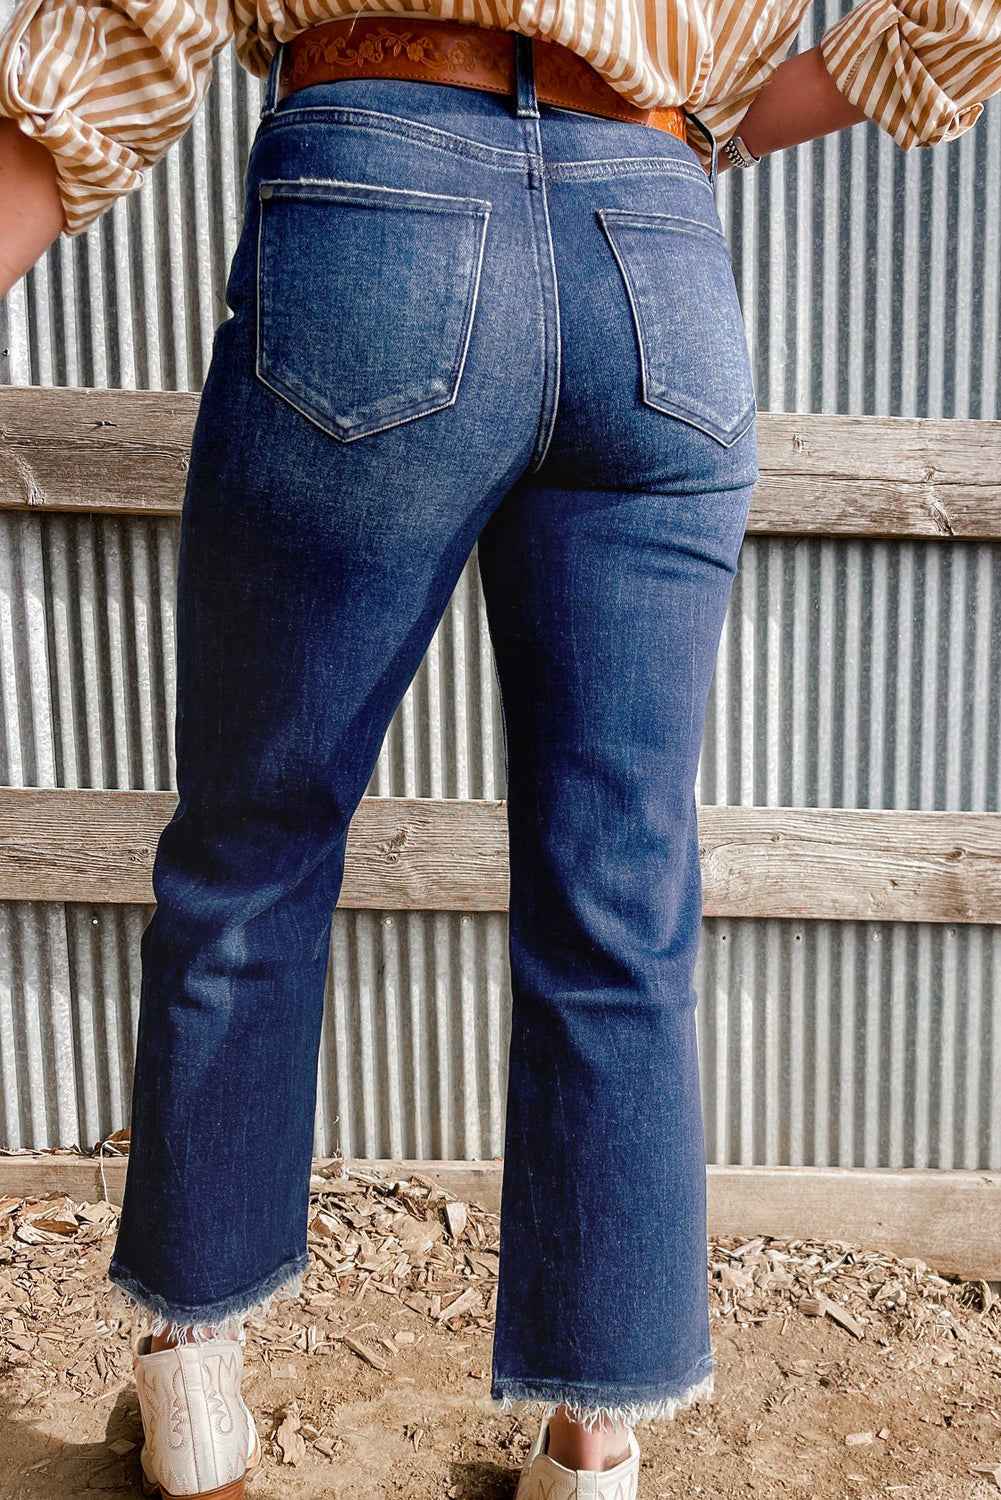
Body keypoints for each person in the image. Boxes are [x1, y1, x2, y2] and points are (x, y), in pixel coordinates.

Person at [2, 3, 1000, 1498]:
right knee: (620, 879)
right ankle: (596, 1444)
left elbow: (114, 37)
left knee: (254, 841)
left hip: (372, 203)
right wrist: (699, 116)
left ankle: (196, 1385)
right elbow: (951, 25)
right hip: (653, 241)